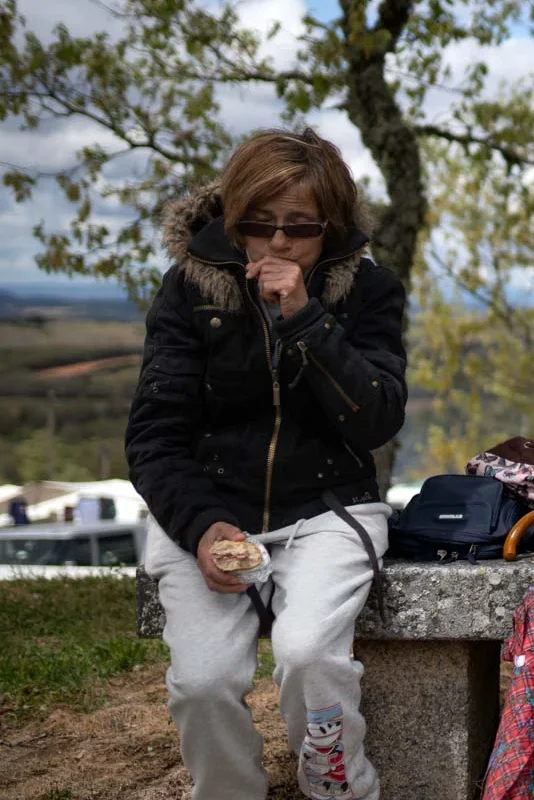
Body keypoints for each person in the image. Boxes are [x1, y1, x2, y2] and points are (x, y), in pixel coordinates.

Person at [127, 128, 407, 800]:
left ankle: (337, 786)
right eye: (258, 224)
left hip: (327, 509)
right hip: (210, 510)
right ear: (234, 218)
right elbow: (154, 434)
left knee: (309, 655)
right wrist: (201, 526)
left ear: (331, 226)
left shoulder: (368, 291)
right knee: (203, 682)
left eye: (300, 227)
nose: (278, 244)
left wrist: (306, 319)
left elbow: (376, 417)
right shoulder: (188, 291)